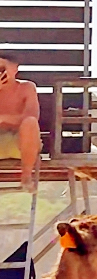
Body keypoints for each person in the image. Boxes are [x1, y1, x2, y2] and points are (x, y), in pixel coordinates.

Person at [0, 54, 41, 191]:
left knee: (30, 123)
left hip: (21, 143)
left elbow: (31, 116)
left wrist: (3, 118)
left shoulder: (26, 88)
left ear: (15, 69)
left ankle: (26, 176)